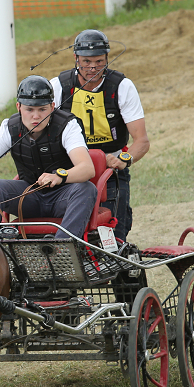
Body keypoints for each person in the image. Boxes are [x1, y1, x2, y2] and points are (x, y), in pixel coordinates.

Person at [0, 75, 96, 239]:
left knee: (86, 189)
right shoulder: (9, 127)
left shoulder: (67, 125)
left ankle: (63, 248)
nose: (36, 116)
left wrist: (59, 177)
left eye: (42, 109)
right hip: (29, 197)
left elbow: (87, 169)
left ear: (52, 106)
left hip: (62, 197)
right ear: (18, 107)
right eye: (29, 109)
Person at [51, 29, 150, 242]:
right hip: (70, 167)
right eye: (86, 61)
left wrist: (124, 160)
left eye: (99, 61)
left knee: (118, 233)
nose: (92, 67)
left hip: (111, 168)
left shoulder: (122, 86)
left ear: (107, 59)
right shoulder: (58, 86)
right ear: (76, 59)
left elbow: (141, 141)